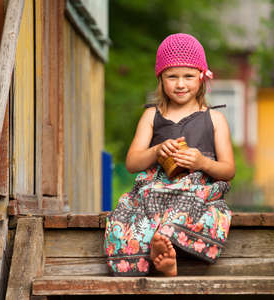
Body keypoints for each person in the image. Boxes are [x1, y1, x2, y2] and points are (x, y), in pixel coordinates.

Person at [104, 33, 235, 277]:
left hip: (195, 191)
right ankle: (162, 255)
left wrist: (203, 162)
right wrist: (155, 151)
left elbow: (228, 170)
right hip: (156, 191)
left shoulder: (215, 119)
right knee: (125, 212)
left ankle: (164, 248)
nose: (180, 84)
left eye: (188, 76)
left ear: (202, 76)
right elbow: (132, 163)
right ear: (160, 79)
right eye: (171, 76)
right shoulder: (151, 116)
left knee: (194, 205)